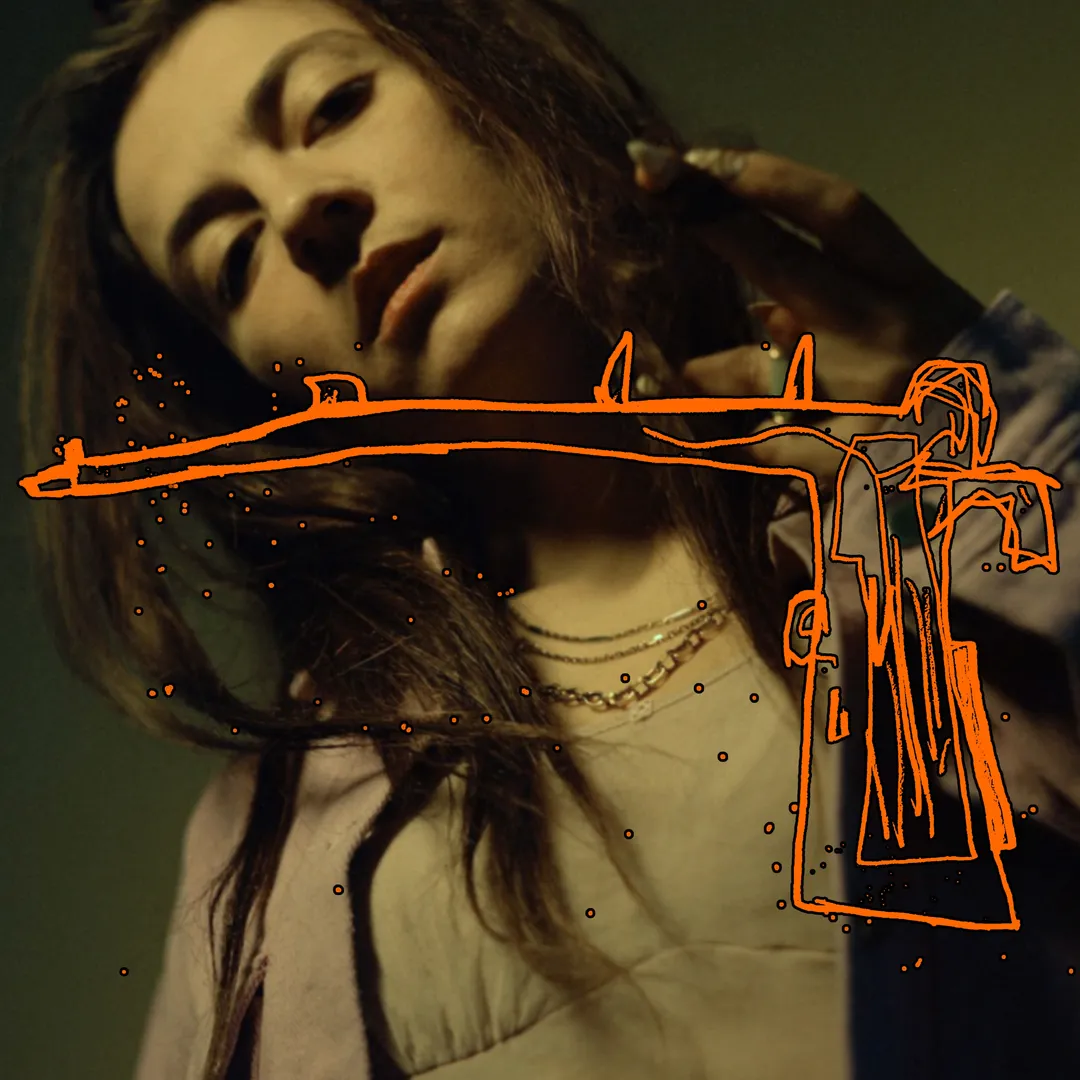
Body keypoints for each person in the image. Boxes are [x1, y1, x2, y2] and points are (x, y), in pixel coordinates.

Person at [12, 0, 1080, 1077]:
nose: (301, 214)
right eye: (235, 257)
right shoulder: (272, 838)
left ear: (494, 77)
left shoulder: (932, 544)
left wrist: (1022, 449)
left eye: (334, 106)